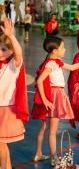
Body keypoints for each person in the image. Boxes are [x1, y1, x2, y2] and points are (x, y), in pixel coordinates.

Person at [31, 36, 79, 166]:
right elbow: (39, 81)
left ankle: (38, 153)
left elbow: (72, 67)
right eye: (62, 47)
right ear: (55, 51)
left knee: (44, 128)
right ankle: (54, 158)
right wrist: (45, 100)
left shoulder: (56, 61)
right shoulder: (51, 64)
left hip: (54, 95)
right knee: (52, 132)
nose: (64, 49)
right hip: (54, 97)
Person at [0, 18, 29, 169]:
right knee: (1, 145)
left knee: (1, 145)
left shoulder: (13, 65)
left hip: (5, 110)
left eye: (4, 49)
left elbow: (19, 53)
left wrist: (11, 36)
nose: (0, 52)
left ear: (11, 50)